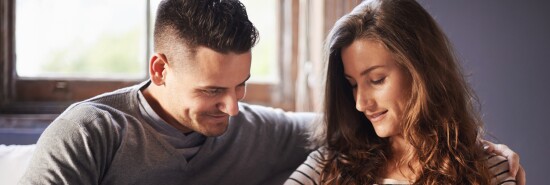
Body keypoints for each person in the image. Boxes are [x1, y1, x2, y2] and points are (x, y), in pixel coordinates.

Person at [19, 0, 522, 184]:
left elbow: (370, 126)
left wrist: (479, 151)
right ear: (159, 68)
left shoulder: (254, 128)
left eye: (241, 85)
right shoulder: (90, 133)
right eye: (214, 90)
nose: (233, 108)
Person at [286, 0, 524, 184]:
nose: (360, 103)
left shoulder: (488, 169)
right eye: (353, 84)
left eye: (376, 80)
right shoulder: (328, 165)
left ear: (421, 71)